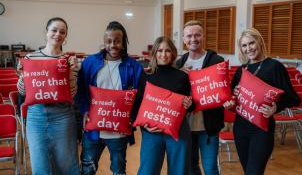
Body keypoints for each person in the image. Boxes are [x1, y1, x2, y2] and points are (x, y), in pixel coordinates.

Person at [223, 28, 301, 175]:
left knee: (254, 172)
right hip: (240, 128)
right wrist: (230, 102)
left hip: (261, 130)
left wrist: (275, 107)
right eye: (244, 46)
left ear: (259, 41)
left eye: (251, 43)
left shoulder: (274, 66)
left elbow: (293, 98)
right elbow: (233, 99)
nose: (249, 48)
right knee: (248, 171)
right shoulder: (242, 70)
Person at [77, 21, 143, 175]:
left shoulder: (134, 66)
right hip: (93, 130)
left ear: (124, 41)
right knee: (87, 170)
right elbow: (81, 91)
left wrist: (132, 117)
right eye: (109, 41)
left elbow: (140, 97)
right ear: (104, 41)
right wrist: (85, 110)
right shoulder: (90, 63)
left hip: (118, 132)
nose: (113, 45)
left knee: (118, 171)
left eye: (117, 41)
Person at [17, 17, 80, 174]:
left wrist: (72, 73)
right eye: (54, 30)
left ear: (65, 36)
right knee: (40, 166)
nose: (58, 34)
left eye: (62, 32)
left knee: (66, 165)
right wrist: (22, 75)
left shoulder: (68, 61)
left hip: (63, 115)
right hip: (36, 116)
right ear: (46, 32)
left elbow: (72, 93)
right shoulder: (30, 58)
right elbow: (22, 92)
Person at [134, 36, 193, 175]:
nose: (163, 54)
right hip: (152, 132)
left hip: (178, 131)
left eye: (167, 51)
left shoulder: (182, 76)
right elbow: (138, 104)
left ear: (172, 53)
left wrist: (189, 104)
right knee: (147, 171)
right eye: (160, 50)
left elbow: (189, 105)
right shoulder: (146, 76)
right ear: (154, 53)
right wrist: (145, 126)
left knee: (179, 172)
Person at [176, 20, 224, 175]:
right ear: (183, 39)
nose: (193, 39)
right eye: (189, 36)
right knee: (191, 168)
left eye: (197, 35)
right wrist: (179, 76)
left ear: (203, 36)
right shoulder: (179, 64)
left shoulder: (216, 61)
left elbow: (222, 91)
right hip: (186, 126)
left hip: (208, 126)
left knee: (210, 169)